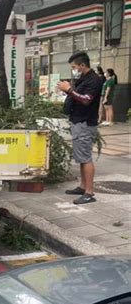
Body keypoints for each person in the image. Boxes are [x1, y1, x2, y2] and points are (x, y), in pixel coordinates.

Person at [57, 51, 102, 205]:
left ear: (83, 65)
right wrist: (67, 90)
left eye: (74, 67)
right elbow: (77, 95)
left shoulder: (94, 80)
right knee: (82, 158)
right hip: (77, 121)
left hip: (85, 122)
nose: (73, 69)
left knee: (85, 158)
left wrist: (69, 89)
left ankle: (89, 192)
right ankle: (83, 187)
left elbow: (86, 100)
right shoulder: (82, 78)